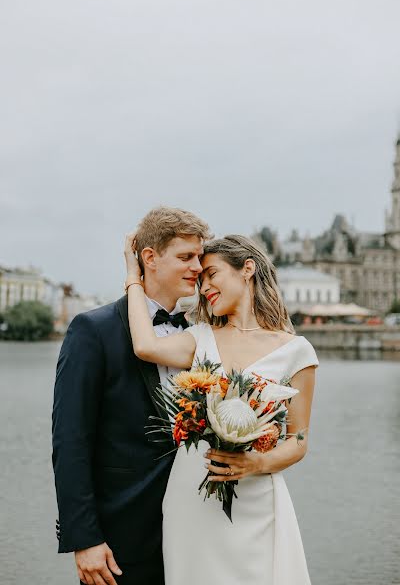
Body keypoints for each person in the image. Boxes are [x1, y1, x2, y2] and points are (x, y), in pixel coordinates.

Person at [124, 233, 319, 585]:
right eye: (200, 281)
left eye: (211, 274)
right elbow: (145, 345)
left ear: (247, 269)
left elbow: (299, 439)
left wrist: (255, 462)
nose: (204, 287)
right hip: (191, 500)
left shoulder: (297, 352)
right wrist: (132, 275)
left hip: (257, 501)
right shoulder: (200, 337)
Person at [52, 206, 211, 585]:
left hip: (194, 532)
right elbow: (70, 440)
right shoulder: (93, 330)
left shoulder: (201, 337)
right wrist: (85, 538)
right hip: (120, 536)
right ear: (150, 258)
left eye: (201, 257)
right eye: (186, 256)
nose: (199, 267)